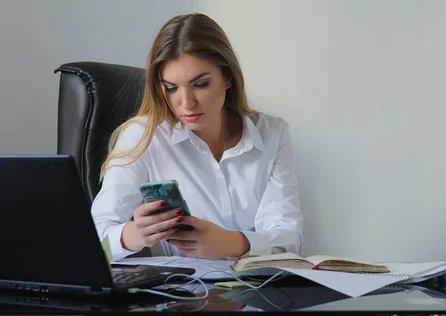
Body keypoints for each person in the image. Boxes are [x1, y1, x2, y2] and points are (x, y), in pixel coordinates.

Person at [91, 13, 303, 262]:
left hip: (258, 290)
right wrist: (134, 235)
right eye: (171, 88)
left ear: (227, 77)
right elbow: (94, 240)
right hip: (181, 294)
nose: (186, 103)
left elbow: (290, 240)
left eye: (201, 84)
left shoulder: (272, 133)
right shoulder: (142, 137)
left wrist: (232, 243)